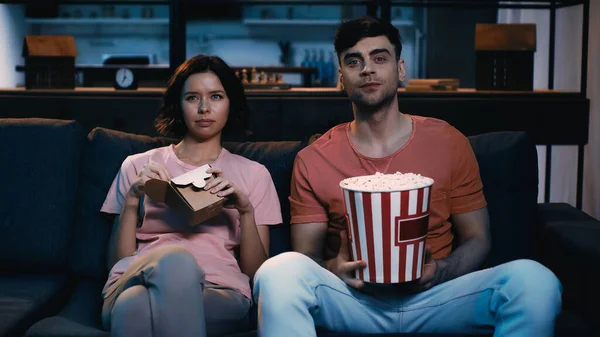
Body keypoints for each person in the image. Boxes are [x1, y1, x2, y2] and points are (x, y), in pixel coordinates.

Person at [253, 16, 562, 337]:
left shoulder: (448, 141)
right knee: (277, 272)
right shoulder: (313, 158)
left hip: (437, 297)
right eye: (354, 61)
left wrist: (440, 271)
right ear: (341, 77)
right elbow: (307, 256)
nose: (367, 69)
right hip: (353, 301)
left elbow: (478, 238)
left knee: (534, 279)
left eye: (379, 58)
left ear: (400, 69)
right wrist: (335, 268)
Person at [100, 54, 282, 337]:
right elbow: (115, 262)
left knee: (132, 308)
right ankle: (172, 264)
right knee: (173, 262)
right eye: (193, 98)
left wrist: (245, 210)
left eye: (216, 97)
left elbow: (256, 273)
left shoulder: (254, 174)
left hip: (219, 291)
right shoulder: (138, 166)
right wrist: (133, 198)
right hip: (137, 279)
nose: (204, 108)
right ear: (179, 105)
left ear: (231, 103)